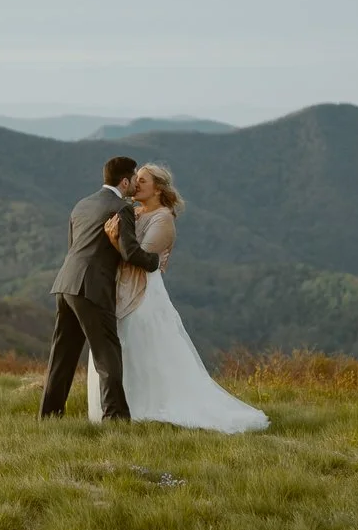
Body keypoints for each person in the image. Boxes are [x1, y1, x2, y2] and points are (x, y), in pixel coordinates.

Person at [88, 163, 268, 433]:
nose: (135, 185)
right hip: (118, 289)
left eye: (143, 181)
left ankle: (143, 408)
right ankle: (117, 408)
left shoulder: (163, 219)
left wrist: (115, 242)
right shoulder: (133, 213)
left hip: (143, 293)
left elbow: (142, 258)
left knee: (141, 346)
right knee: (118, 347)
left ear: (158, 188)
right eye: (135, 180)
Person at [41, 155, 157, 421]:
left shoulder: (82, 204)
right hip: (92, 288)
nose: (134, 187)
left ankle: (49, 417)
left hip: (65, 284)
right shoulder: (121, 208)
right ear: (124, 181)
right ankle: (115, 418)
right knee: (107, 354)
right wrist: (154, 261)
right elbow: (129, 252)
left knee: (62, 355)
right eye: (133, 180)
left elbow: (73, 246)